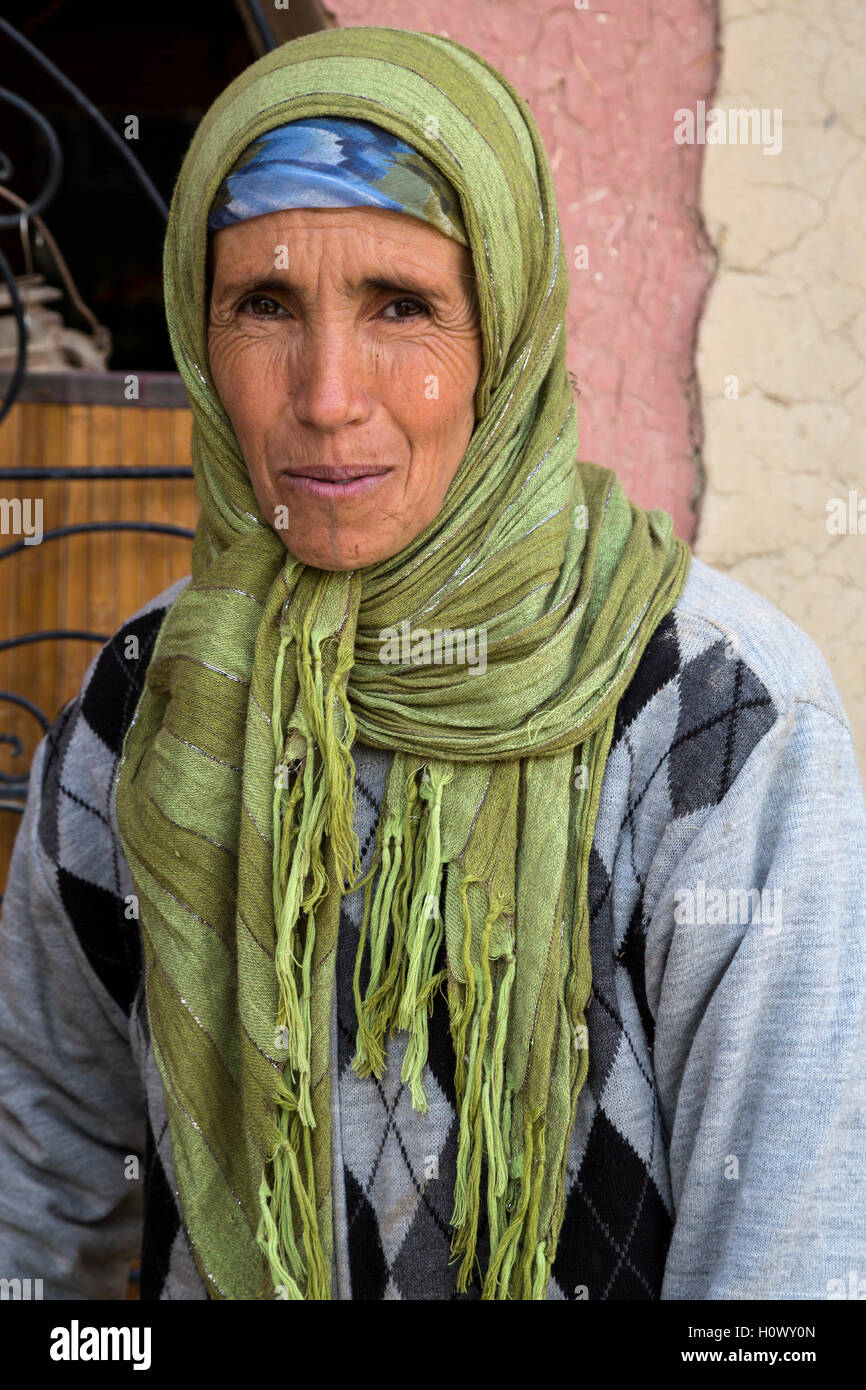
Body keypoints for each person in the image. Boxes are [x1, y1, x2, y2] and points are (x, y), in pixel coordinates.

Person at [0, 25, 864, 1302]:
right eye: (265, 306)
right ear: (197, 330)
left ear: (503, 331)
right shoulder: (149, 702)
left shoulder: (714, 714)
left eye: (401, 306)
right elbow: (38, 1189)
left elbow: (786, 1275)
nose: (330, 394)